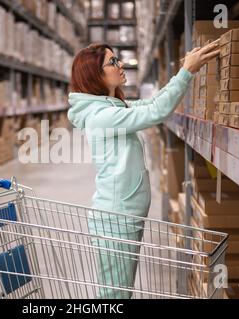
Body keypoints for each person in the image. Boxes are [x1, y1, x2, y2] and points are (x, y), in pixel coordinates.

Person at [67, 42, 220, 299]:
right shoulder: (102, 116)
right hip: (116, 219)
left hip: (125, 215)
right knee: (114, 296)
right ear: (96, 74)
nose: (121, 65)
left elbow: (152, 103)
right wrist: (185, 72)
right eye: (113, 62)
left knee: (118, 292)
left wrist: (185, 71)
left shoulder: (113, 108)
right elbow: (156, 113)